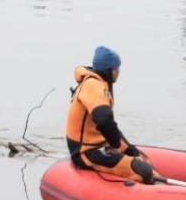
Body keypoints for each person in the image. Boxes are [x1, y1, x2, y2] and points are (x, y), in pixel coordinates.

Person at [65, 45, 155, 184]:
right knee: (143, 171)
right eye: (117, 69)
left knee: (142, 159)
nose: (119, 72)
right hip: (86, 152)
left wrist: (130, 150)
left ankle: (164, 188)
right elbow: (104, 120)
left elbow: (109, 127)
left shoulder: (99, 84)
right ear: (111, 71)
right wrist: (116, 147)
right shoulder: (93, 86)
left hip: (99, 145)